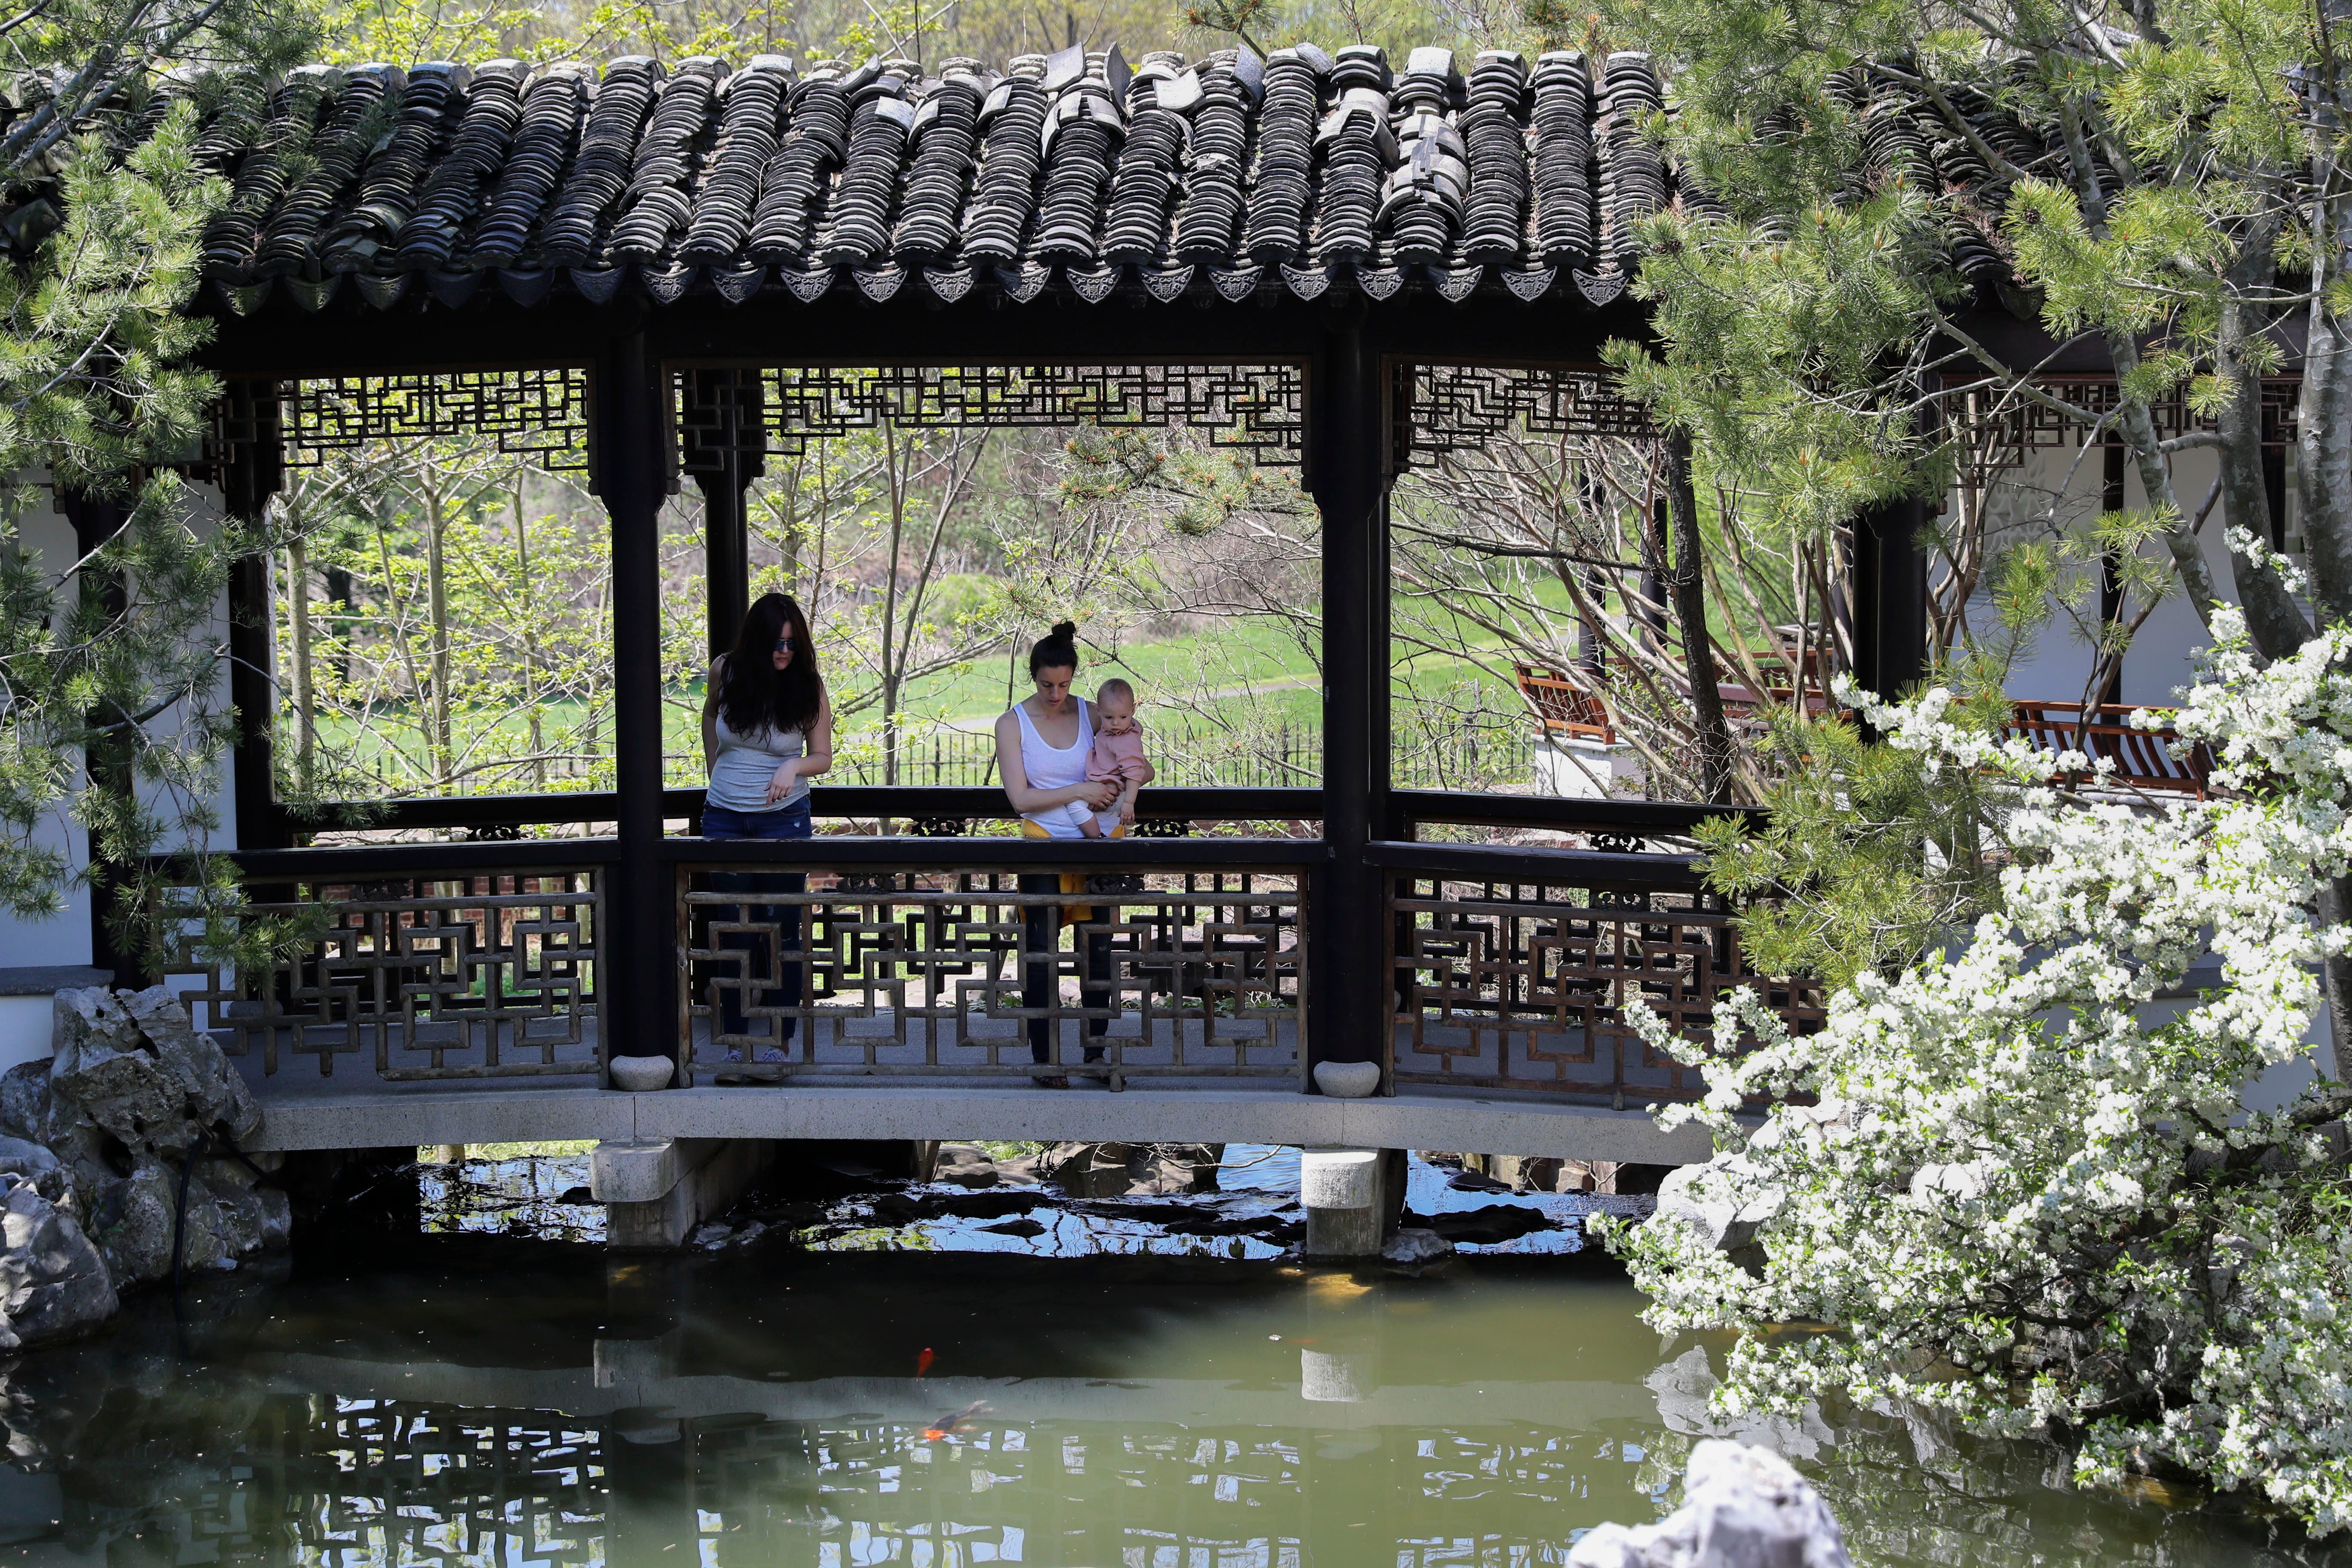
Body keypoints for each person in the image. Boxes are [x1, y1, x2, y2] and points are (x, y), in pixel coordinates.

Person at [992, 622, 1145, 1087]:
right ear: (1032, 676)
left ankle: (1095, 1055)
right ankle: (1045, 1059)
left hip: (1098, 843)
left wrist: (1129, 782)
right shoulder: (1012, 723)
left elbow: (1133, 753)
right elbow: (1020, 799)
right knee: (1040, 954)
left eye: (1064, 684)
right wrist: (1078, 789)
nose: (1056, 693)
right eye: (1046, 685)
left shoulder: (1093, 713)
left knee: (1098, 950)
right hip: (1043, 842)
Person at [699, 593, 833, 1064]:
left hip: (784, 818)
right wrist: (717, 771)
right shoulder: (726, 671)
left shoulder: (808, 686)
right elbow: (712, 715)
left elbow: (823, 756)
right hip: (724, 818)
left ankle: (779, 1041)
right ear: (757, 642)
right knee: (732, 929)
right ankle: (736, 1042)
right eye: (777, 643)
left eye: (793, 645)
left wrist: (792, 767)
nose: (784, 652)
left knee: (782, 929)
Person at [1036, 677, 1152, 837]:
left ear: (1132, 711)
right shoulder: (1109, 732)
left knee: (1075, 806)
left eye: (1123, 717)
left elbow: (1134, 773)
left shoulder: (1126, 740)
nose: (1116, 723)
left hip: (1116, 793)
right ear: (1099, 712)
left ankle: (1096, 839)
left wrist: (1128, 803)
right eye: (1109, 718)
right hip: (1101, 787)